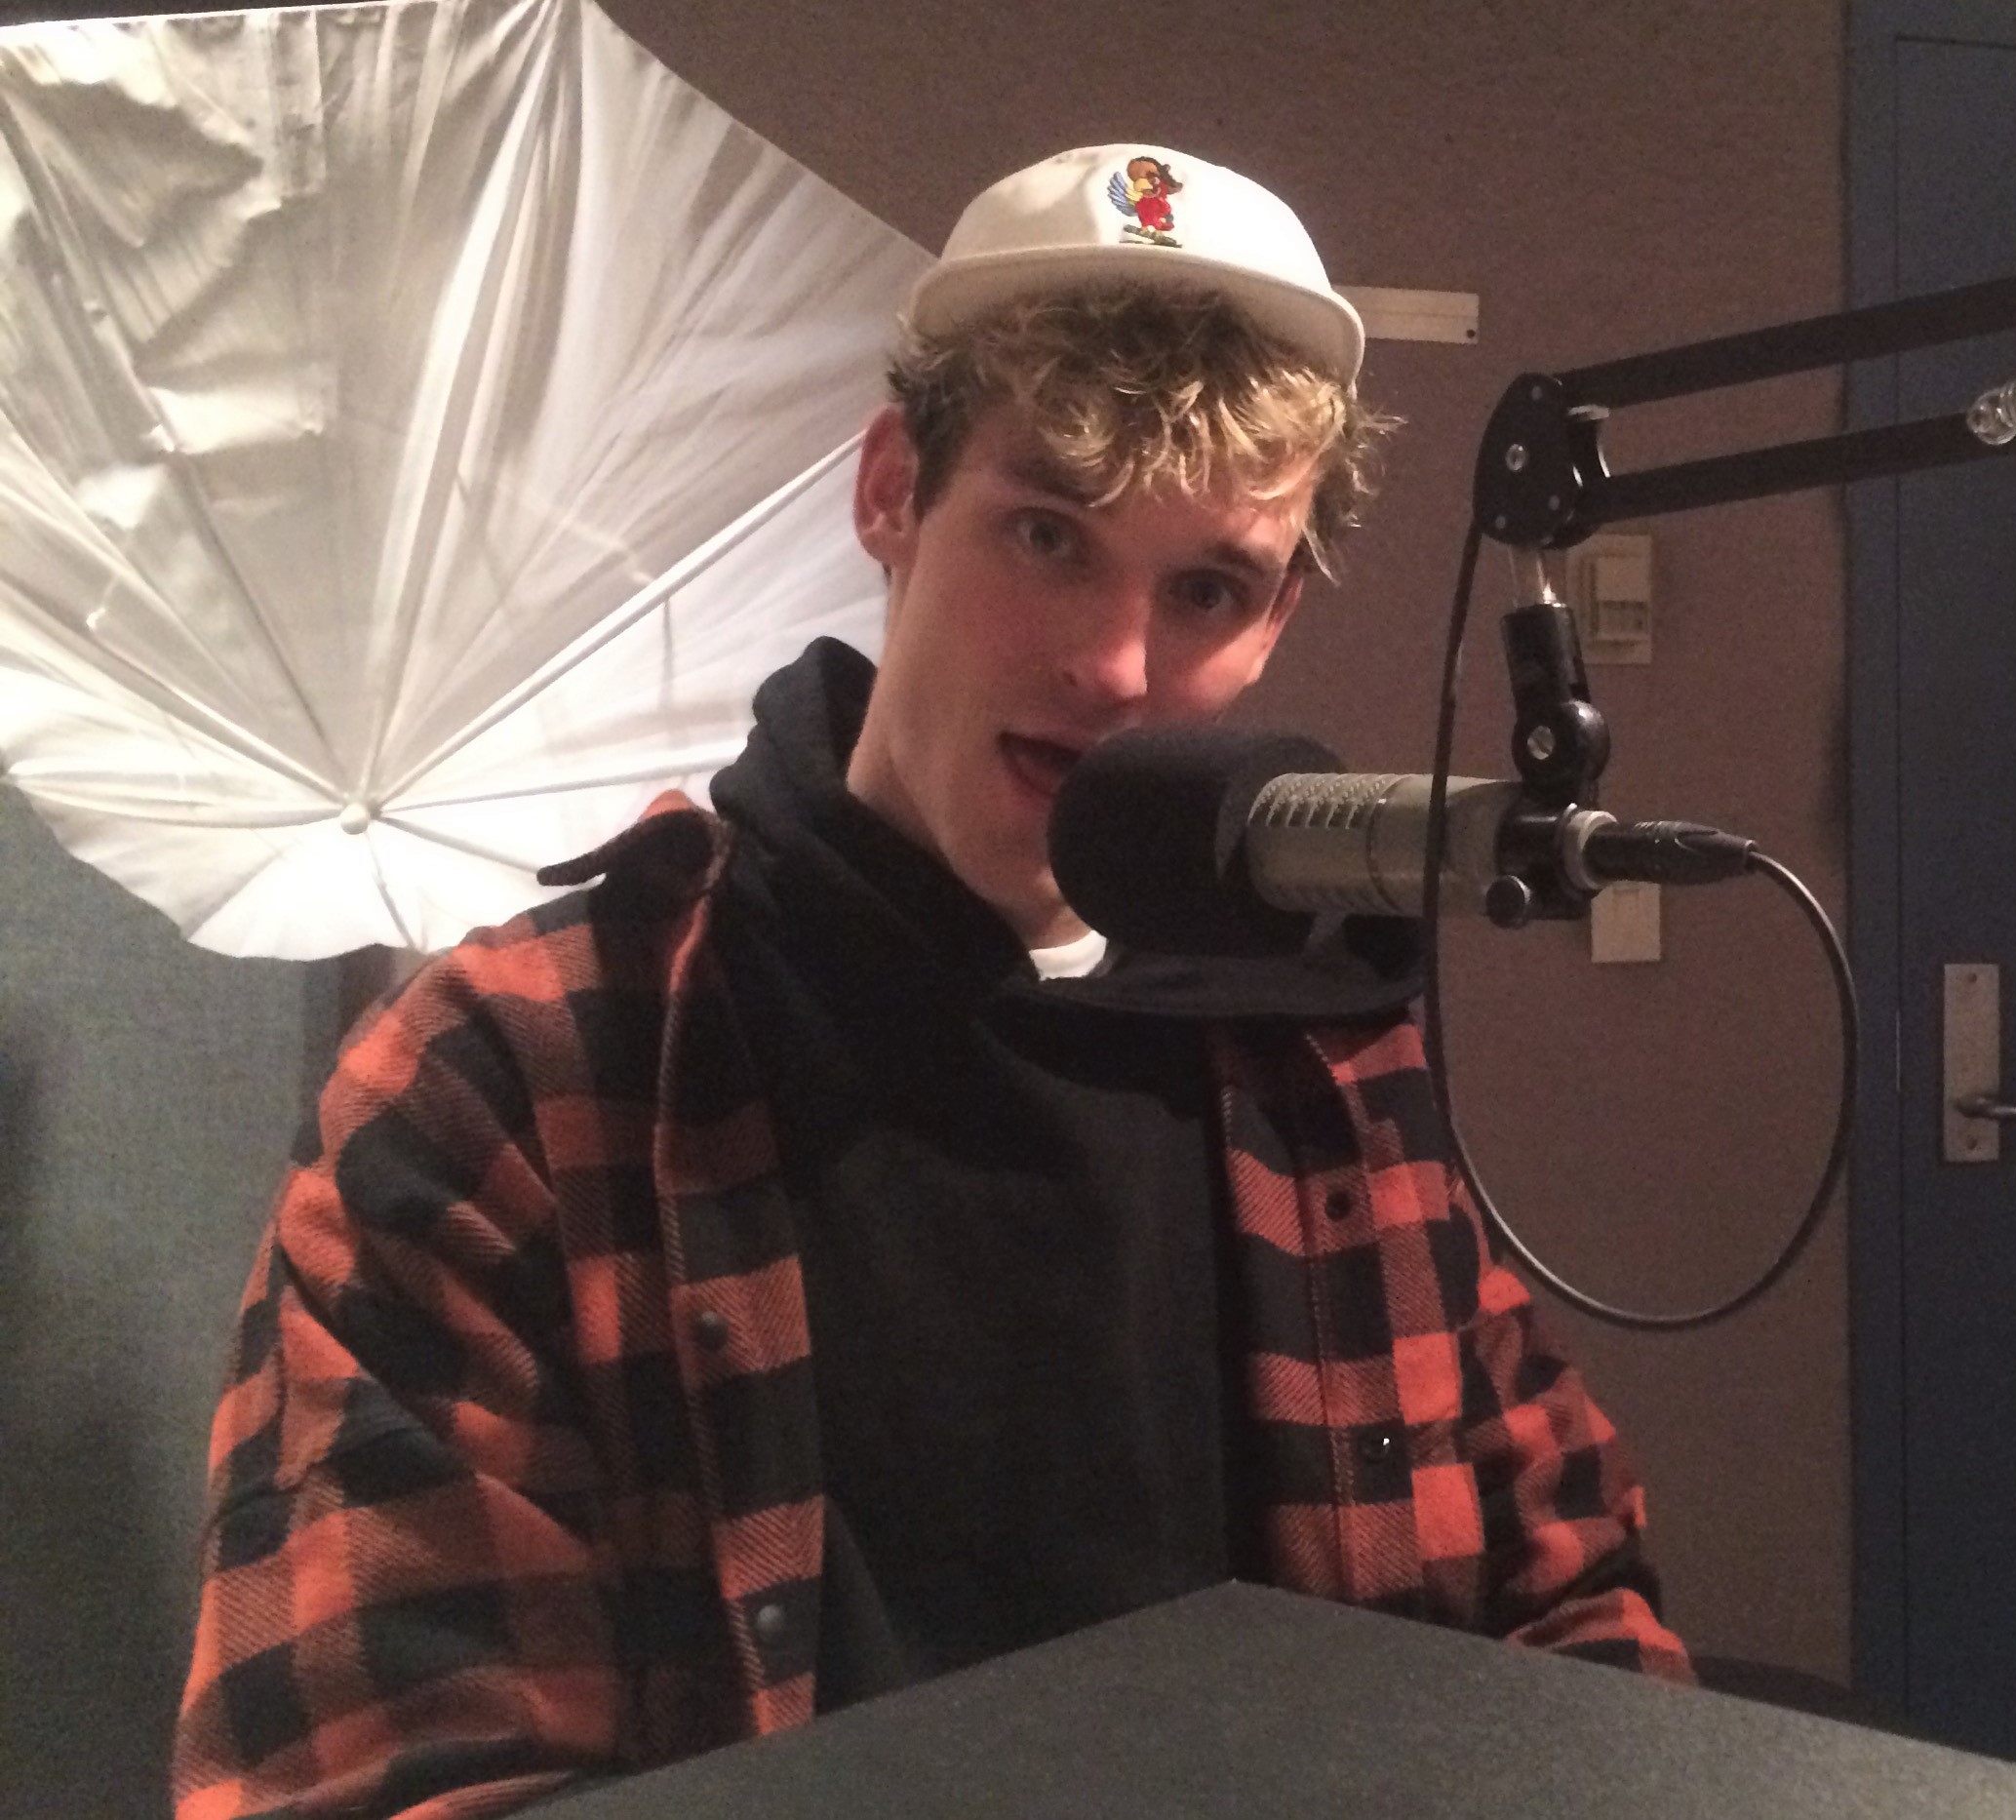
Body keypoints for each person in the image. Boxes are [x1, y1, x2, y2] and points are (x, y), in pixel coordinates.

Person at [174, 143, 1687, 1820]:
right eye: (1047, 534)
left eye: (1205, 588)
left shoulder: (1319, 1054)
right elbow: (370, 1771)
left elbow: (1571, 1604)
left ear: (1279, 617)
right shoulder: (513, 1079)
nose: (1113, 665)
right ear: (891, 490)